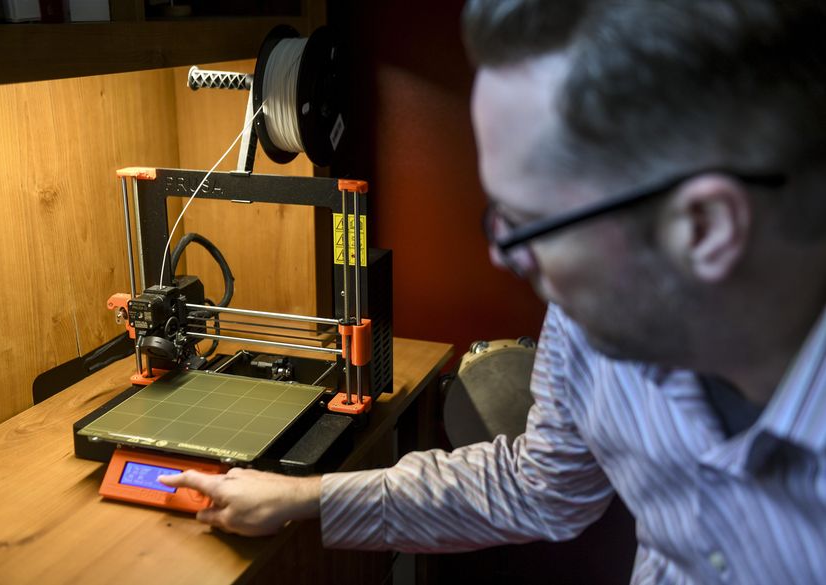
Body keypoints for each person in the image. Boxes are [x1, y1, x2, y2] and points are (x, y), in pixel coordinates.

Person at [160, 0, 826, 582]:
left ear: (705, 228)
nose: (502, 256)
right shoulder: (592, 330)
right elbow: (537, 486)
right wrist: (302, 497)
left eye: (532, 223)